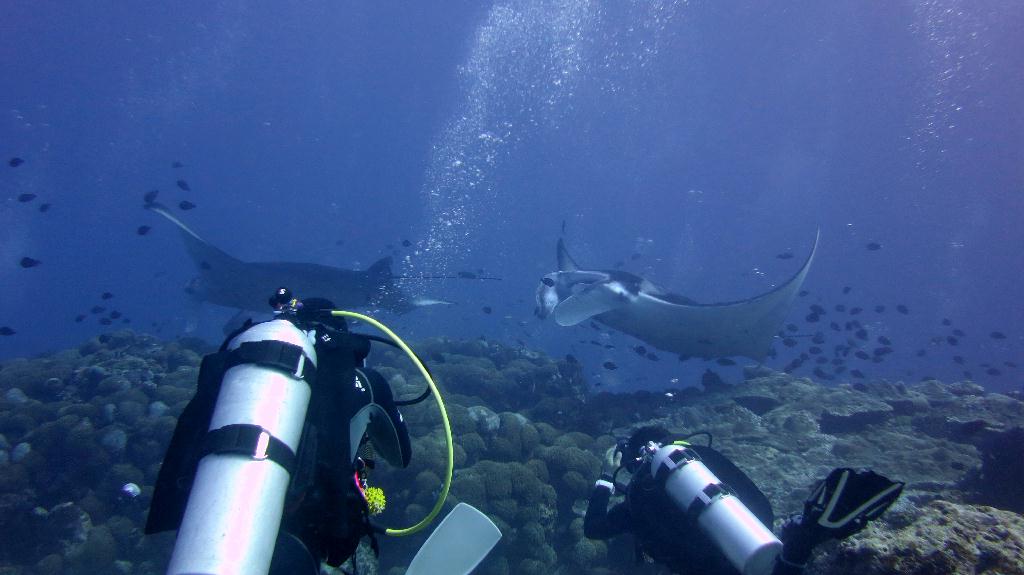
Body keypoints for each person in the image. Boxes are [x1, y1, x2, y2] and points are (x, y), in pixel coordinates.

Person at [146, 295, 414, 574]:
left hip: (207, 532)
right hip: (300, 542)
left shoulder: (239, 373)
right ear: (341, 338)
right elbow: (400, 457)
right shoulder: (363, 381)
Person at [584, 426, 903, 575]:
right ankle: (803, 535)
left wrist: (606, 478)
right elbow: (757, 501)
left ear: (636, 462)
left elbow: (594, 528)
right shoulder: (705, 459)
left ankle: (801, 542)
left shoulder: (641, 495)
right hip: (759, 539)